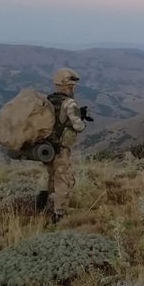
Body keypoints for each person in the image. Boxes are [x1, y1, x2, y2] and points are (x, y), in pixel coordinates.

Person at [38, 68, 86, 223]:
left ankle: (40, 206)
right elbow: (78, 126)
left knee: (48, 177)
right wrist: (80, 119)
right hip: (60, 149)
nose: (73, 88)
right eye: (72, 85)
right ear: (67, 86)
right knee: (63, 180)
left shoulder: (48, 100)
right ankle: (58, 215)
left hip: (46, 148)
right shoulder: (69, 103)